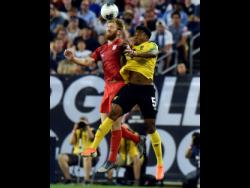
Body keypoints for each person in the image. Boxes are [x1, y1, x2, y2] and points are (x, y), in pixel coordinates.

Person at [81, 25, 164, 180]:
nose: (136, 36)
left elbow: (153, 53)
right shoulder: (129, 47)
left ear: (146, 36)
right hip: (130, 88)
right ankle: (92, 148)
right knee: (112, 115)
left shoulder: (150, 46)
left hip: (146, 90)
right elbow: (122, 47)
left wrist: (133, 52)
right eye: (136, 34)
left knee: (150, 127)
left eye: (139, 34)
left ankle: (160, 164)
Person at [64, 18, 146, 173]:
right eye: (107, 26)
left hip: (121, 86)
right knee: (108, 127)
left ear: (118, 31)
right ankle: (137, 139)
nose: (107, 29)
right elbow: (88, 61)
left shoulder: (122, 44)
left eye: (111, 27)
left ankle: (111, 160)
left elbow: (132, 52)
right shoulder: (101, 49)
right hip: (107, 87)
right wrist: (73, 58)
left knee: (113, 124)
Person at [57, 117, 99, 184]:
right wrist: (74, 129)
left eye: (84, 122)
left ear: (88, 123)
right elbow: (71, 142)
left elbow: (92, 138)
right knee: (61, 157)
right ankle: (68, 179)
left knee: (86, 156)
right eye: (81, 123)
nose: (82, 124)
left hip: (90, 155)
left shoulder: (92, 130)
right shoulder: (76, 131)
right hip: (77, 155)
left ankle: (86, 180)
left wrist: (87, 127)